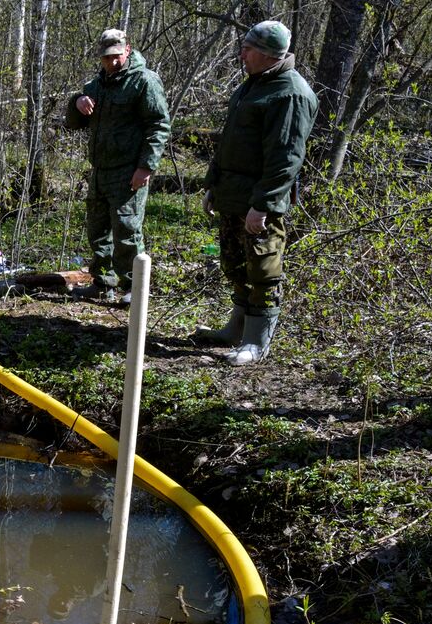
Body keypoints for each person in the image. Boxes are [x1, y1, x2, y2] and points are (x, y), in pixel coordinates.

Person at [196, 20, 317, 365]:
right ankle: (234, 330)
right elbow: (229, 143)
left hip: (260, 202)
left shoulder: (290, 93)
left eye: (248, 49)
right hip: (232, 194)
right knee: (234, 263)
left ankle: (255, 342)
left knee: (263, 269)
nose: (241, 54)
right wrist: (212, 185)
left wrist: (262, 205)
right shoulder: (253, 85)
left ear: (267, 55)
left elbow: (286, 158)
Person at [65, 28, 171, 307]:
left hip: (128, 171)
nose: (111, 62)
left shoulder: (144, 81)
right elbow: (73, 122)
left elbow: (159, 126)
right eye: (105, 57)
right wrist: (77, 102)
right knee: (98, 230)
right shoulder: (96, 85)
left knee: (127, 230)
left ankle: (134, 288)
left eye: (115, 55)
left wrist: (146, 167)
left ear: (127, 50)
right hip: (100, 170)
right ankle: (103, 283)